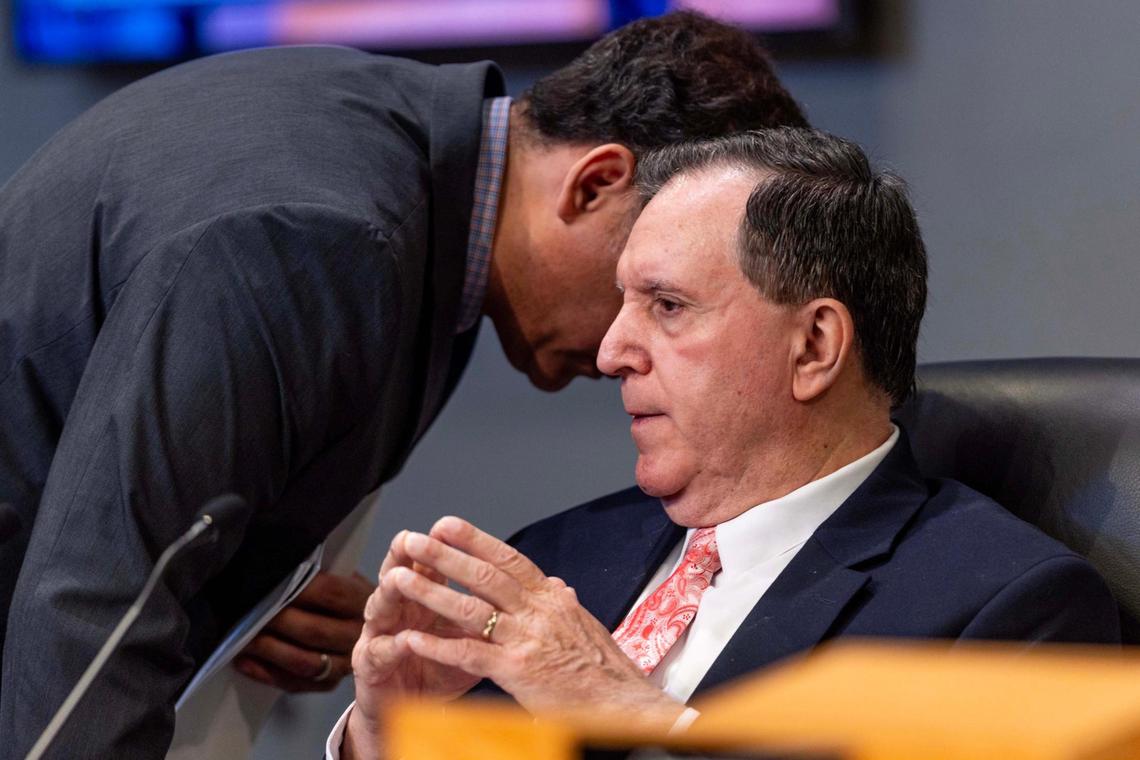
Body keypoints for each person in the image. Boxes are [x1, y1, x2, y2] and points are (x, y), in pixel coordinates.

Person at [0, 13, 808, 759]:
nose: (626, 350)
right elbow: (94, 609)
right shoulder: (326, 239)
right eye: (652, 287)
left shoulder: (394, 163)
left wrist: (232, 581)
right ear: (594, 184)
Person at [332, 128, 1121, 760]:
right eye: (622, 303)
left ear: (813, 346)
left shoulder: (1005, 612)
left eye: (667, 305)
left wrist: (636, 716)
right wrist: (385, 737)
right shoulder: (560, 556)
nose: (610, 351)